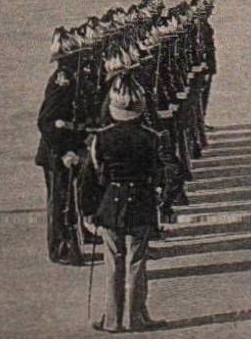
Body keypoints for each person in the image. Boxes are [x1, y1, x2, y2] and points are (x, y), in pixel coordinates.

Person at [89, 75, 167, 333]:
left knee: (113, 263)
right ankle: (136, 317)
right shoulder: (150, 137)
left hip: (111, 204)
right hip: (141, 203)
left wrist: (90, 210)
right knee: (137, 263)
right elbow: (161, 170)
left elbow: (91, 176)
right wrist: (159, 194)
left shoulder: (102, 137)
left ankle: (112, 319)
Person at [35, 31, 86, 265]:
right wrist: (64, 150)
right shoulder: (61, 82)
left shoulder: (71, 79)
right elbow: (46, 121)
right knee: (59, 201)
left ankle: (68, 242)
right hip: (56, 152)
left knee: (67, 199)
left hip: (68, 148)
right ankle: (58, 248)